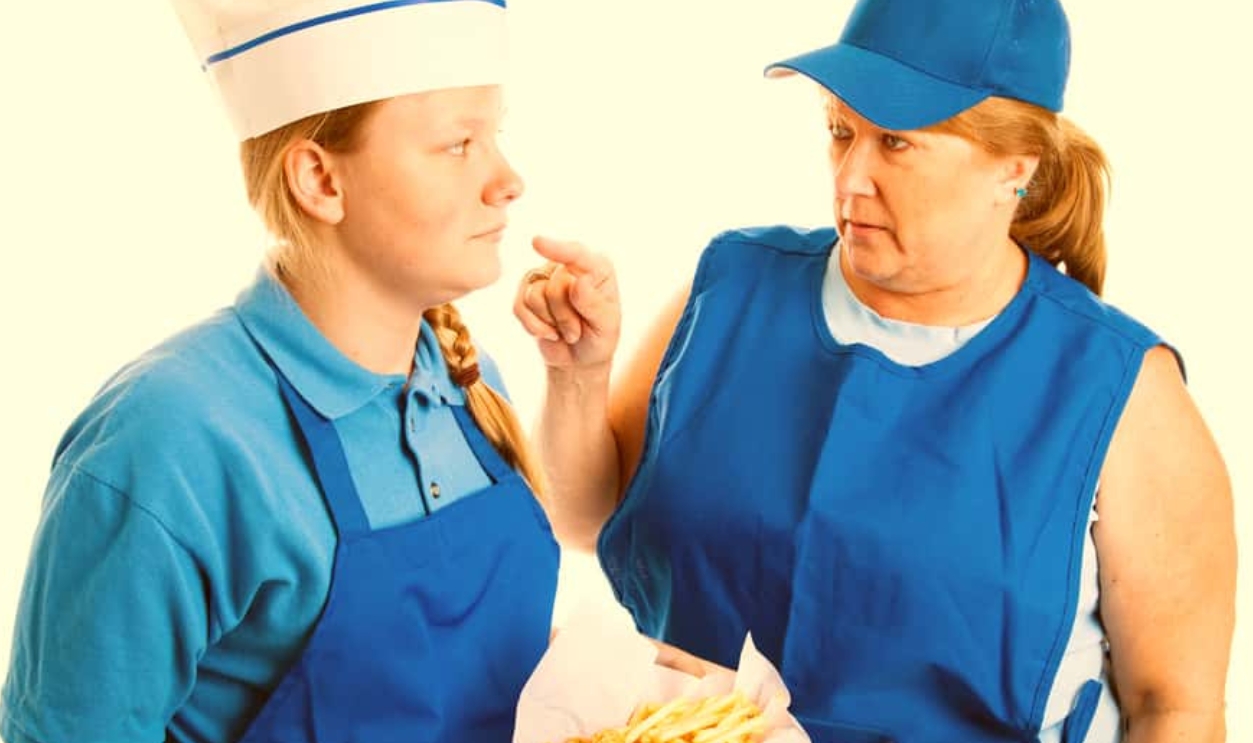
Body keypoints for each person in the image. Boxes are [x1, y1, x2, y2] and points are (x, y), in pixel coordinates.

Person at [513, 0, 1236, 741]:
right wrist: (577, 374)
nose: (850, 177)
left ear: (1014, 168)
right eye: (839, 131)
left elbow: (1173, 704)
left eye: (894, 141)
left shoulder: (1118, 390)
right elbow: (585, 518)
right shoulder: (729, 289)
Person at [0, 1, 568, 741]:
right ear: (319, 179)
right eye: (459, 143)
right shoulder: (169, 439)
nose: (508, 180)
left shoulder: (468, 381)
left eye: (495, 135)